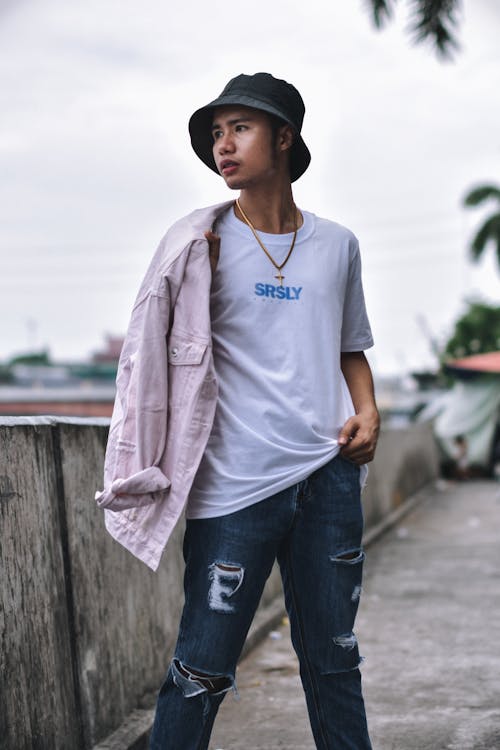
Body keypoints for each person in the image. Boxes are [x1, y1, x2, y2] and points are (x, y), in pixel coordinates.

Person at [96, 72, 379, 749]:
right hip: (234, 487)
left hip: (327, 477)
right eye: (216, 133)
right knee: (199, 670)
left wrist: (368, 412)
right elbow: (149, 359)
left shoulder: (337, 245)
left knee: (335, 659)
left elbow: (351, 348)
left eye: (240, 129)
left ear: (283, 138)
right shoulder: (201, 244)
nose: (223, 145)